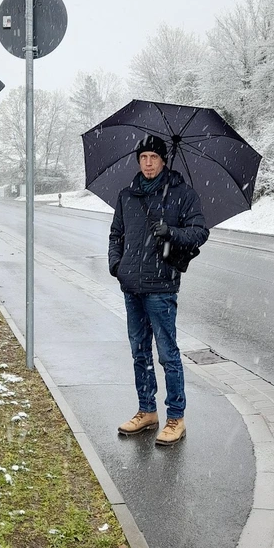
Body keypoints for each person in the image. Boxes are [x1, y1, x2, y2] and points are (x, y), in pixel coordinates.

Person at [108, 134, 209, 445]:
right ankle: (147, 411)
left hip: (161, 286)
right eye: (143, 157)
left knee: (167, 354)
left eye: (153, 157)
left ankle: (176, 417)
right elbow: (116, 234)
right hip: (131, 286)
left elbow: (200, 232)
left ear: (163, 160)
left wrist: (171, 232)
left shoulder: (182, 194)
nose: (148, 163)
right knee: (139, 353)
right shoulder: (127, 195)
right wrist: (117, 265)